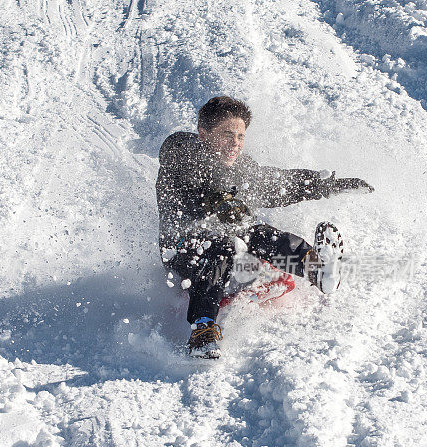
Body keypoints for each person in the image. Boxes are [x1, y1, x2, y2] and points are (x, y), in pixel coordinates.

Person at [156, 96, 373, 358]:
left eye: (240, 136)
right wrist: (216, 199)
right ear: (203, 134)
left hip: (229, 251)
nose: (235, 143)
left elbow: (279, 184)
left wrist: (323, 185)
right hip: (182, 251)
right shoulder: (183, 152)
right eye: (227, 135)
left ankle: (315, 269)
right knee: (223, 242)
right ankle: (203, 330)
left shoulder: (240, 168)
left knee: (256, 231)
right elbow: (173, 154)